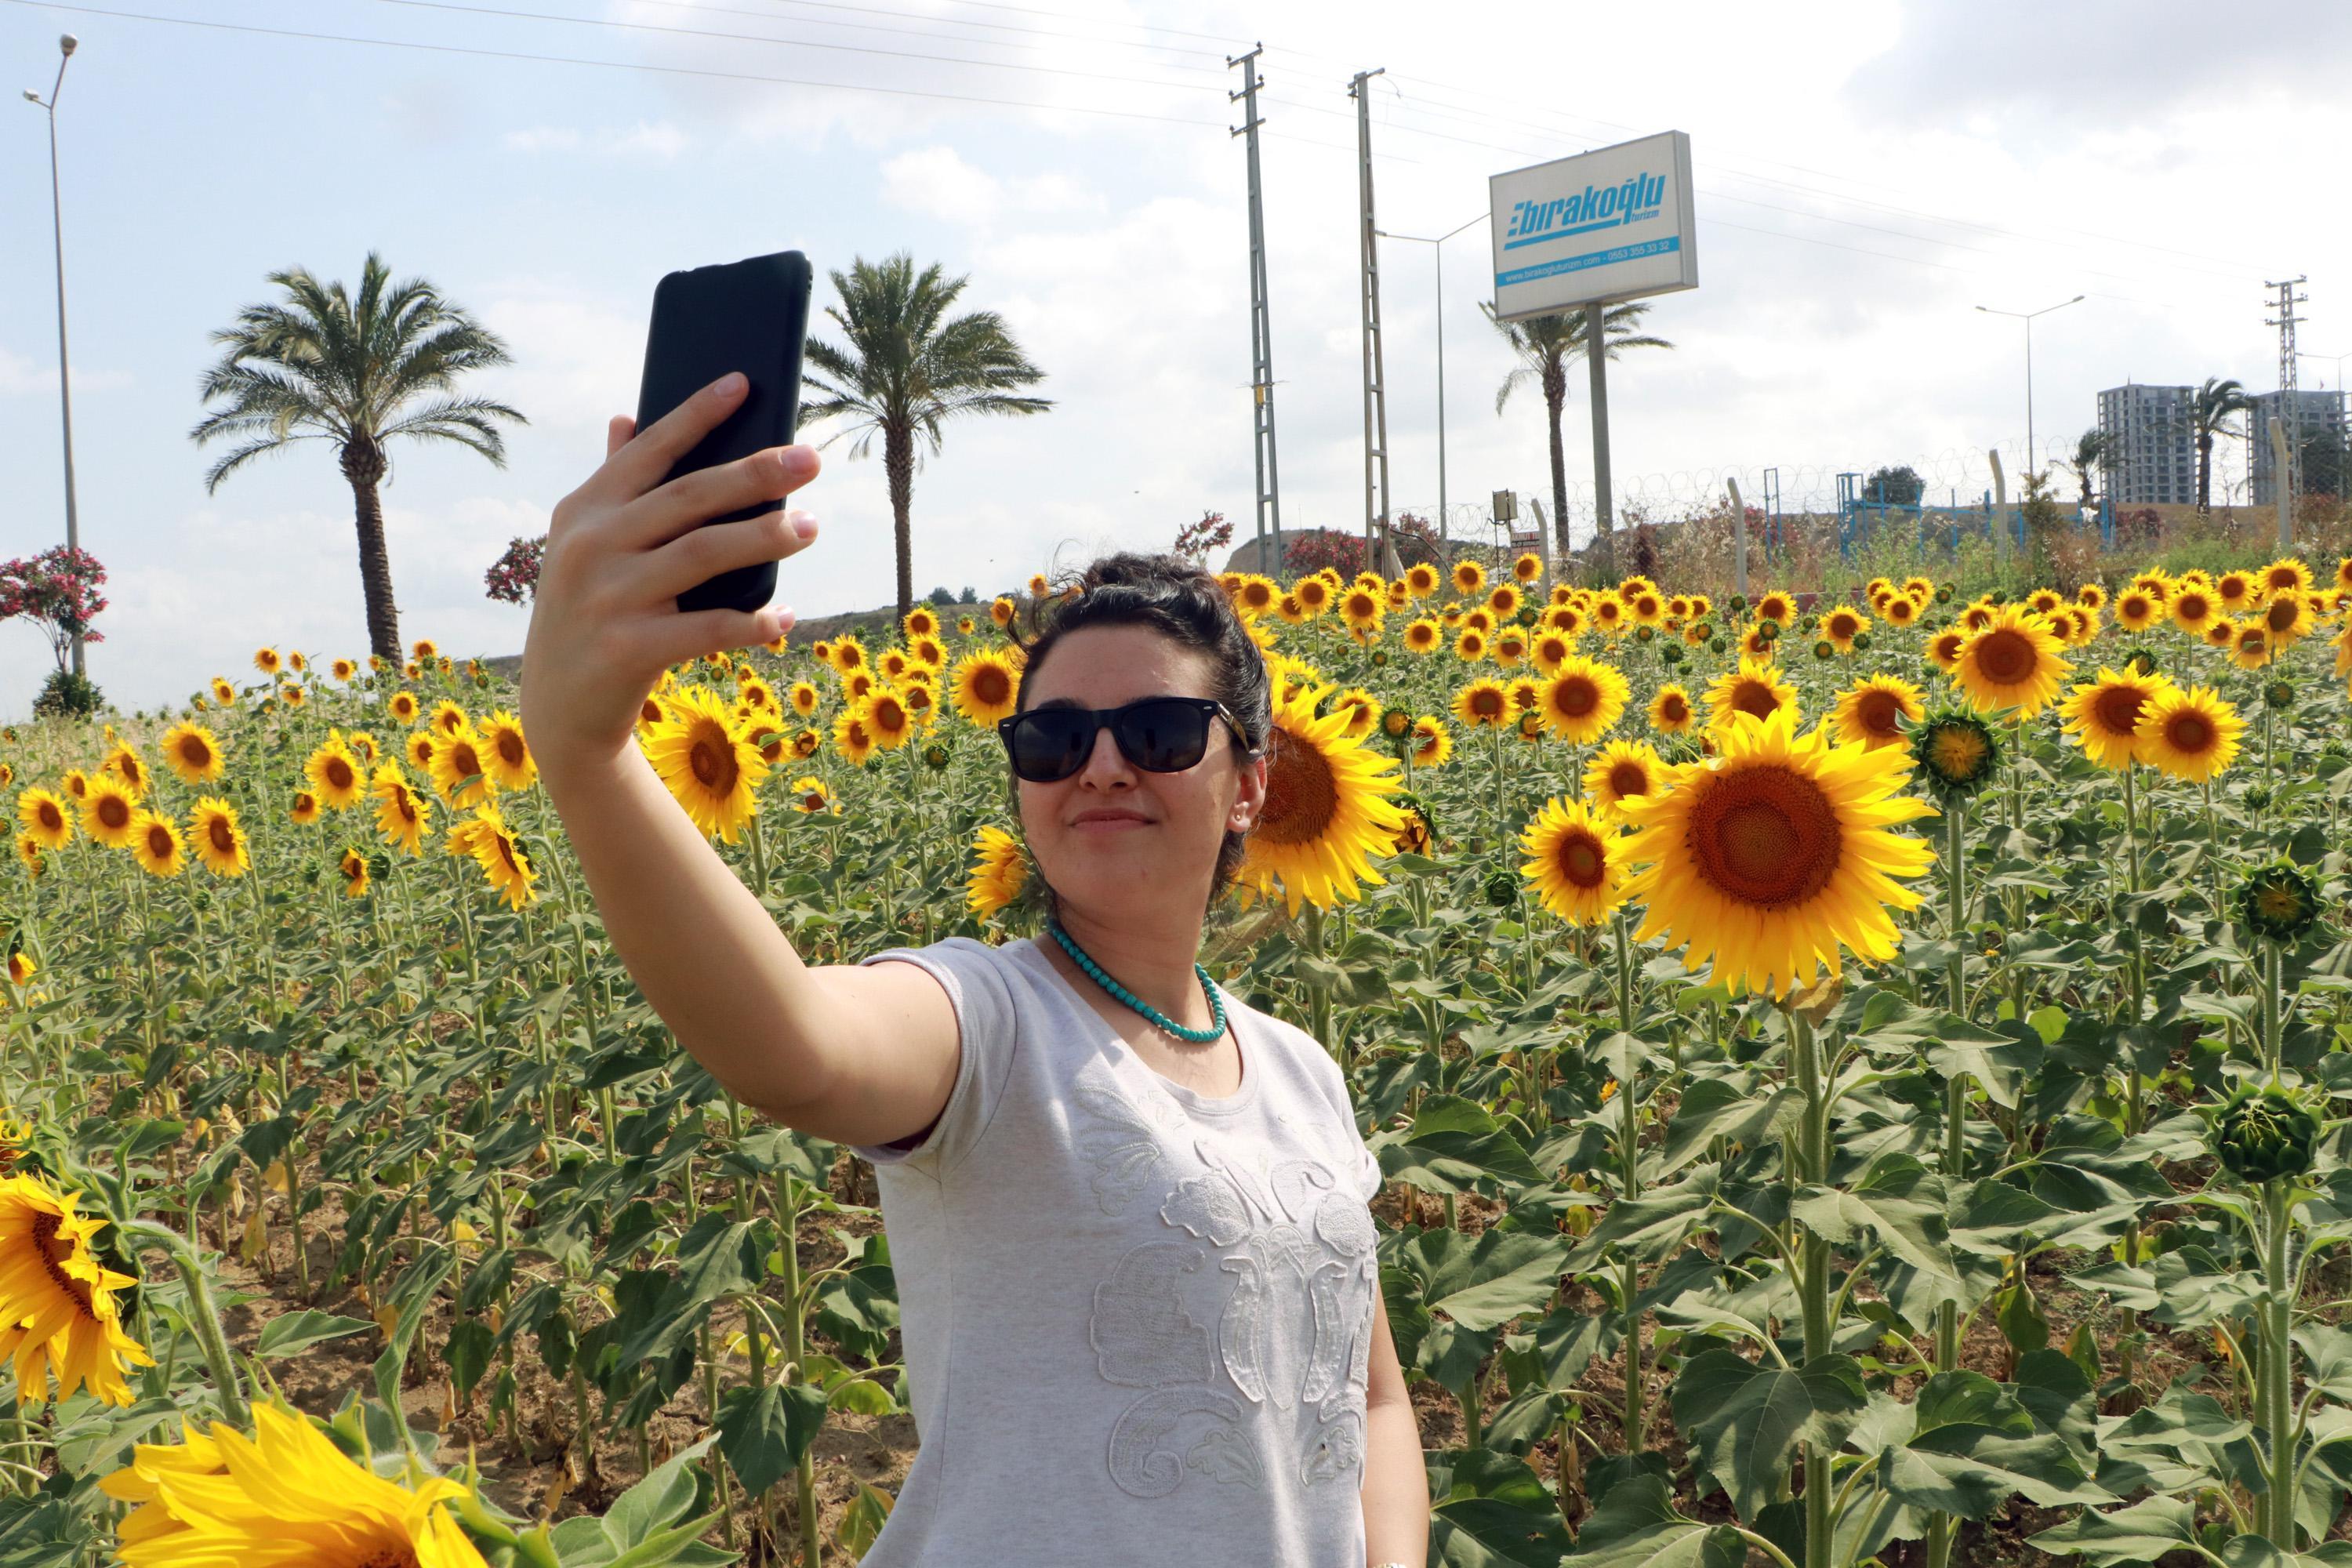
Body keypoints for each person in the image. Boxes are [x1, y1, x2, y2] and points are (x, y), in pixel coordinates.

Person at [518, 368, 1430, 1567]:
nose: (1100, 768)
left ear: (1251, 782)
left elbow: (1367, 1402)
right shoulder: (992, 1024)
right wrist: (588, 754)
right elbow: (796, 1047)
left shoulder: (1300, 1072)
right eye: (1054, 740)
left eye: (1155, 734)